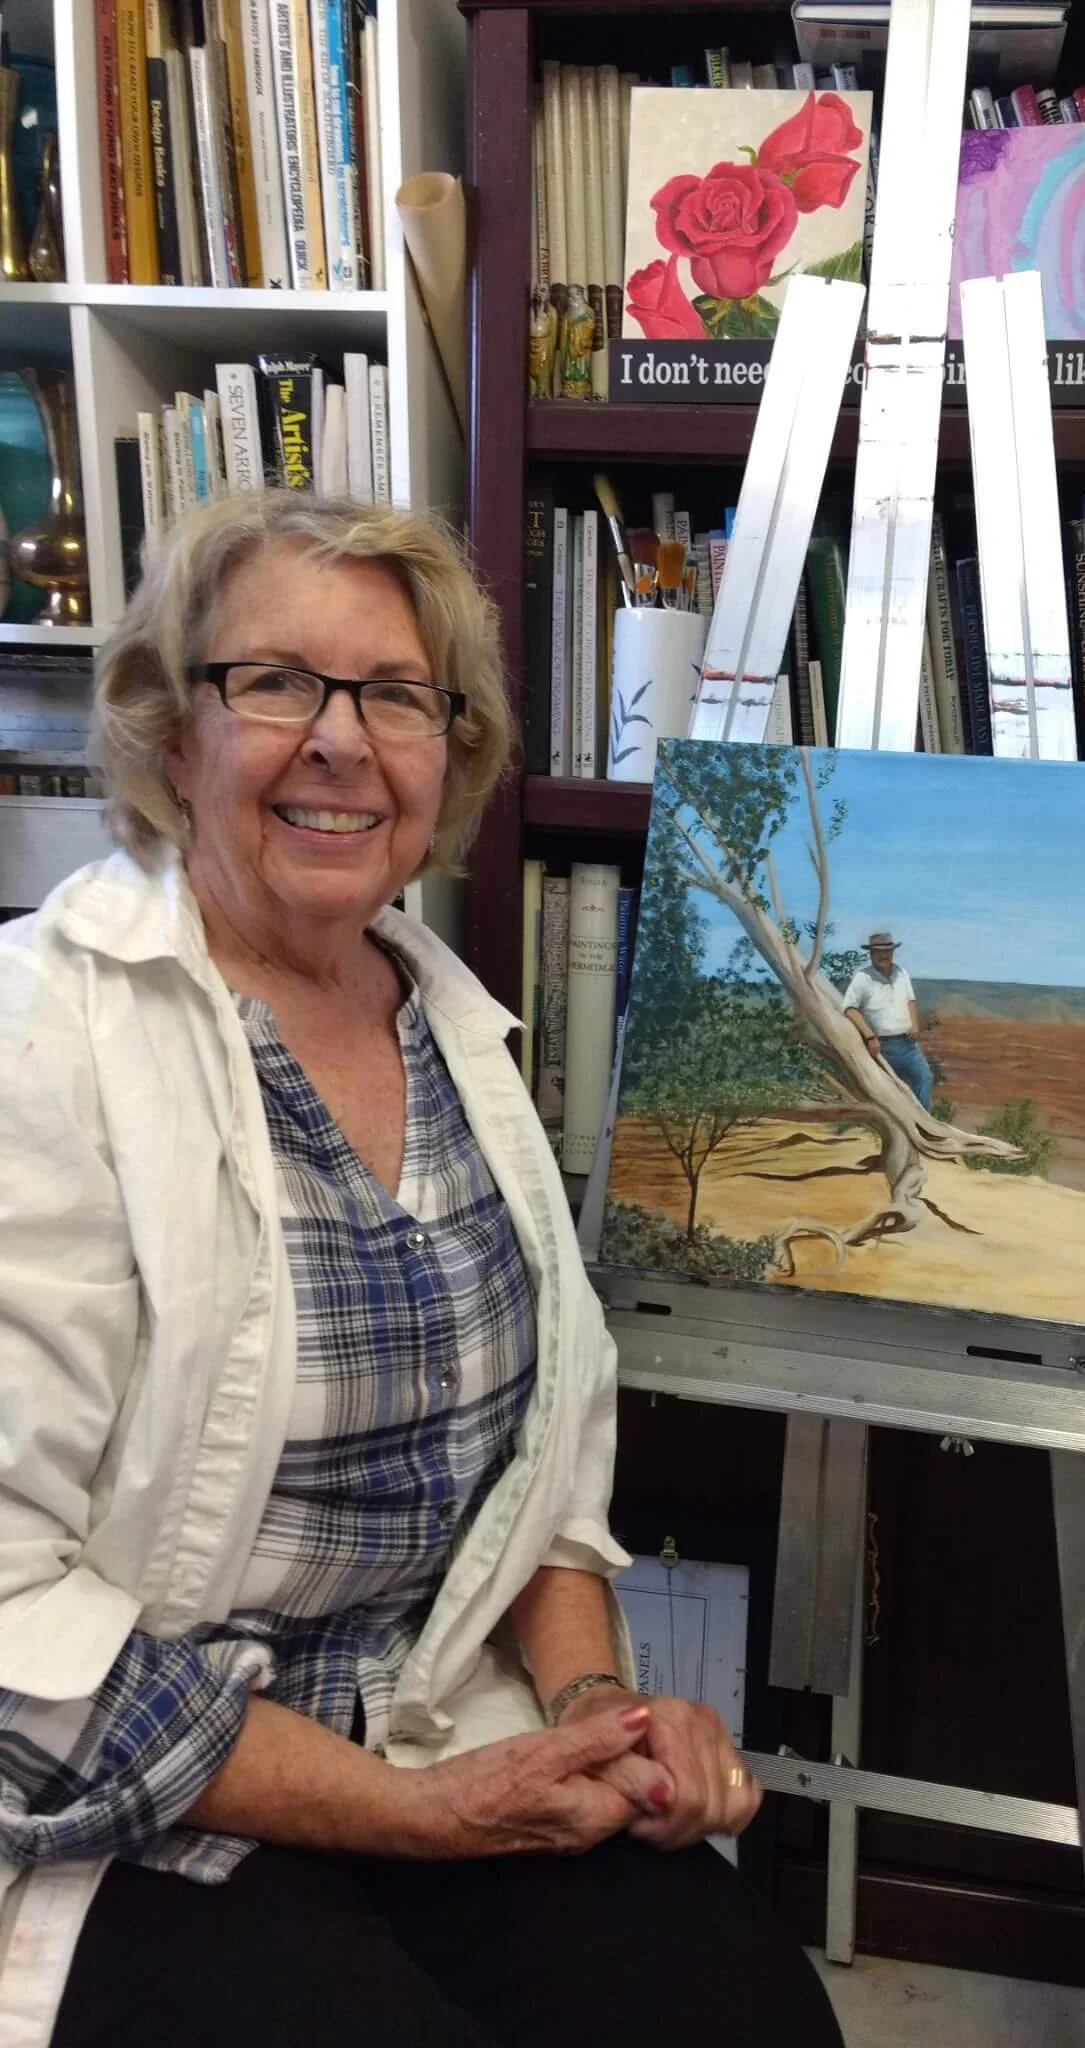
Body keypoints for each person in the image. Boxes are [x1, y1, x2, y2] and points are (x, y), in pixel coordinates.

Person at [0, 493, 843, 2048]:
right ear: (168, 728)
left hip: (436, 1726)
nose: (342, 740)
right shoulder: (41, 1037)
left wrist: (599, 1717)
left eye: (396, 695)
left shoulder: (453, 1026)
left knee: (752, 2020)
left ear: (447, 757)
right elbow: (11, 1653)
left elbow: (534, 1484)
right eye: (275, 682)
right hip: (138, 1810)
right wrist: (422, 1814)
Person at [842, 931, 933, 1110]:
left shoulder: (901, 973)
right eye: (878, 952)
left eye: (887, 951)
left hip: (908, 1044)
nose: (884, 955)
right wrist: (869, 1036)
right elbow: (849, 1008)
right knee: (889, 1092)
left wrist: (915, 1025)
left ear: (892, 952)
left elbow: (910, 1000)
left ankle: (923, 1122)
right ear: (871, 954)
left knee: (924, 1077)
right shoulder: (862, 978)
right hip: (882, 1047)